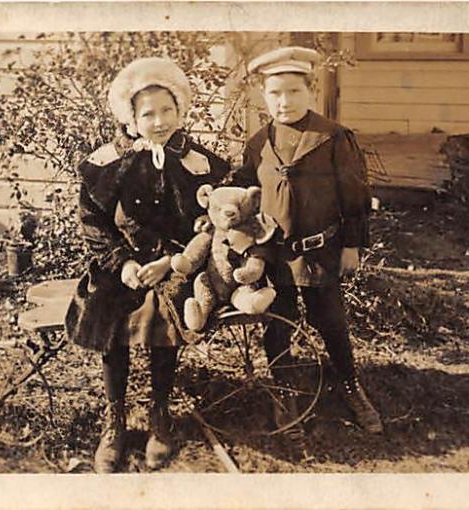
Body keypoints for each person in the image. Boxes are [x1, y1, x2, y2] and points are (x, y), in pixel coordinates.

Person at [64, 57, 230, 472]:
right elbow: (93, 224)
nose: (159, 122)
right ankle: (116, 419)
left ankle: (160, 416)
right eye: (148, 114)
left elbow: (211, 221)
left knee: (165, 317)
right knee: (109, 313)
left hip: (174, 263)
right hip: (120, 264)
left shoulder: (198, 163)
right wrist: (121, 264)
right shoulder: (107, 163)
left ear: (181, 110)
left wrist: (173, 262)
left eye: (167, 110)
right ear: (131, 118)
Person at [231, 46, 383, 434]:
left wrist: (351, 245)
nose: (284, 102)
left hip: (320, 251)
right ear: (263, 97)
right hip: (275, 254)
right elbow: (246, 196)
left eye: (294, 92)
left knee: (330, 320)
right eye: (275, 93)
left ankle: (350, 384)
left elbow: (354, 196)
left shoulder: (332, 138)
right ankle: (284, 392)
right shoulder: (257, 144)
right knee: (277, 325)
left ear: (311, 91)